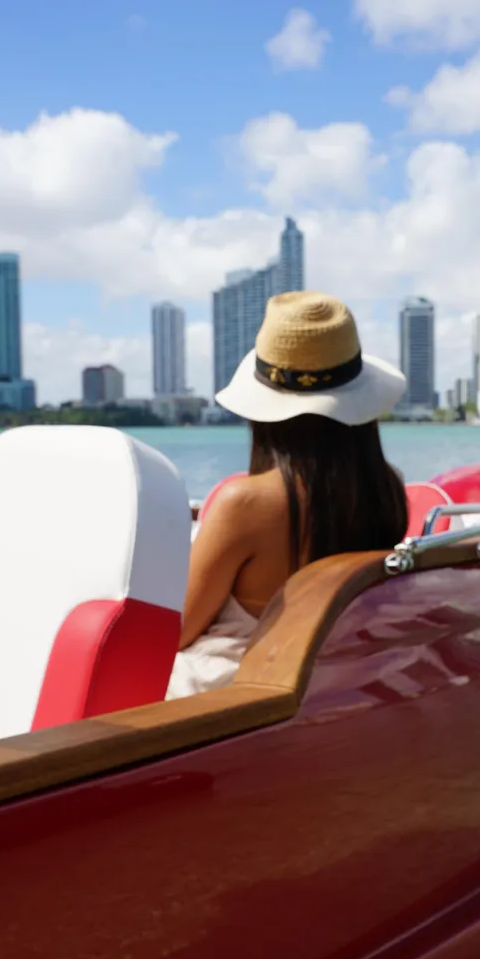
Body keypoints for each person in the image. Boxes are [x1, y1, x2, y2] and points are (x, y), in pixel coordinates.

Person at [165, 290, 408, 699]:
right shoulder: (386, 486)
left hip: (233, 696)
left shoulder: (244, 504)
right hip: (328, 676)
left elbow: (176, 631)